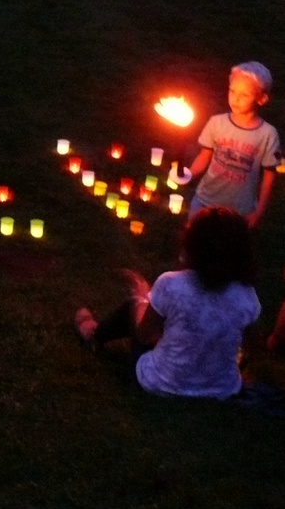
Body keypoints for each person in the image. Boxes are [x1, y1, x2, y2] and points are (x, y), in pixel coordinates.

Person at [75, 207, 260, 399]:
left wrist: (141, 297)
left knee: (134, 306)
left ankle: (94, 334)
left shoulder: (172, 284)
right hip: (222, 390)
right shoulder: (246, 295)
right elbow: (250, 346)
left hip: (163, 383)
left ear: (194, 244)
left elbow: (143, 335)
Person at [175, 62, 279, 228]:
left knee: (228, 250)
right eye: (232, 91)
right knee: (195, 243)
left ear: (262, 99)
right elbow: (204, 156)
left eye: (244, 95)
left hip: (239, 211)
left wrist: (259, 211)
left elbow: (269, 175)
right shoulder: (217, 122)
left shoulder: (267, 134)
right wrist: (188, 174)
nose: (235, 98)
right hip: (205, 201)